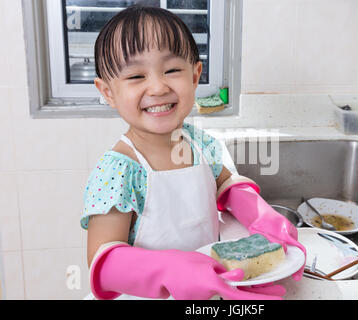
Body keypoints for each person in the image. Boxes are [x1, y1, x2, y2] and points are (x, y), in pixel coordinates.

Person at [81, 4, 306, 300]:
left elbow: (225, 184)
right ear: (108, 92)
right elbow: (104, 262)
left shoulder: (200, 143)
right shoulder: (119, 170)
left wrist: (259, 213)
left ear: (195, 75)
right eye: (136, 76)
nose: (158, 87)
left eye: (172, 70)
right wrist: (167, 271)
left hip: (211, 294)